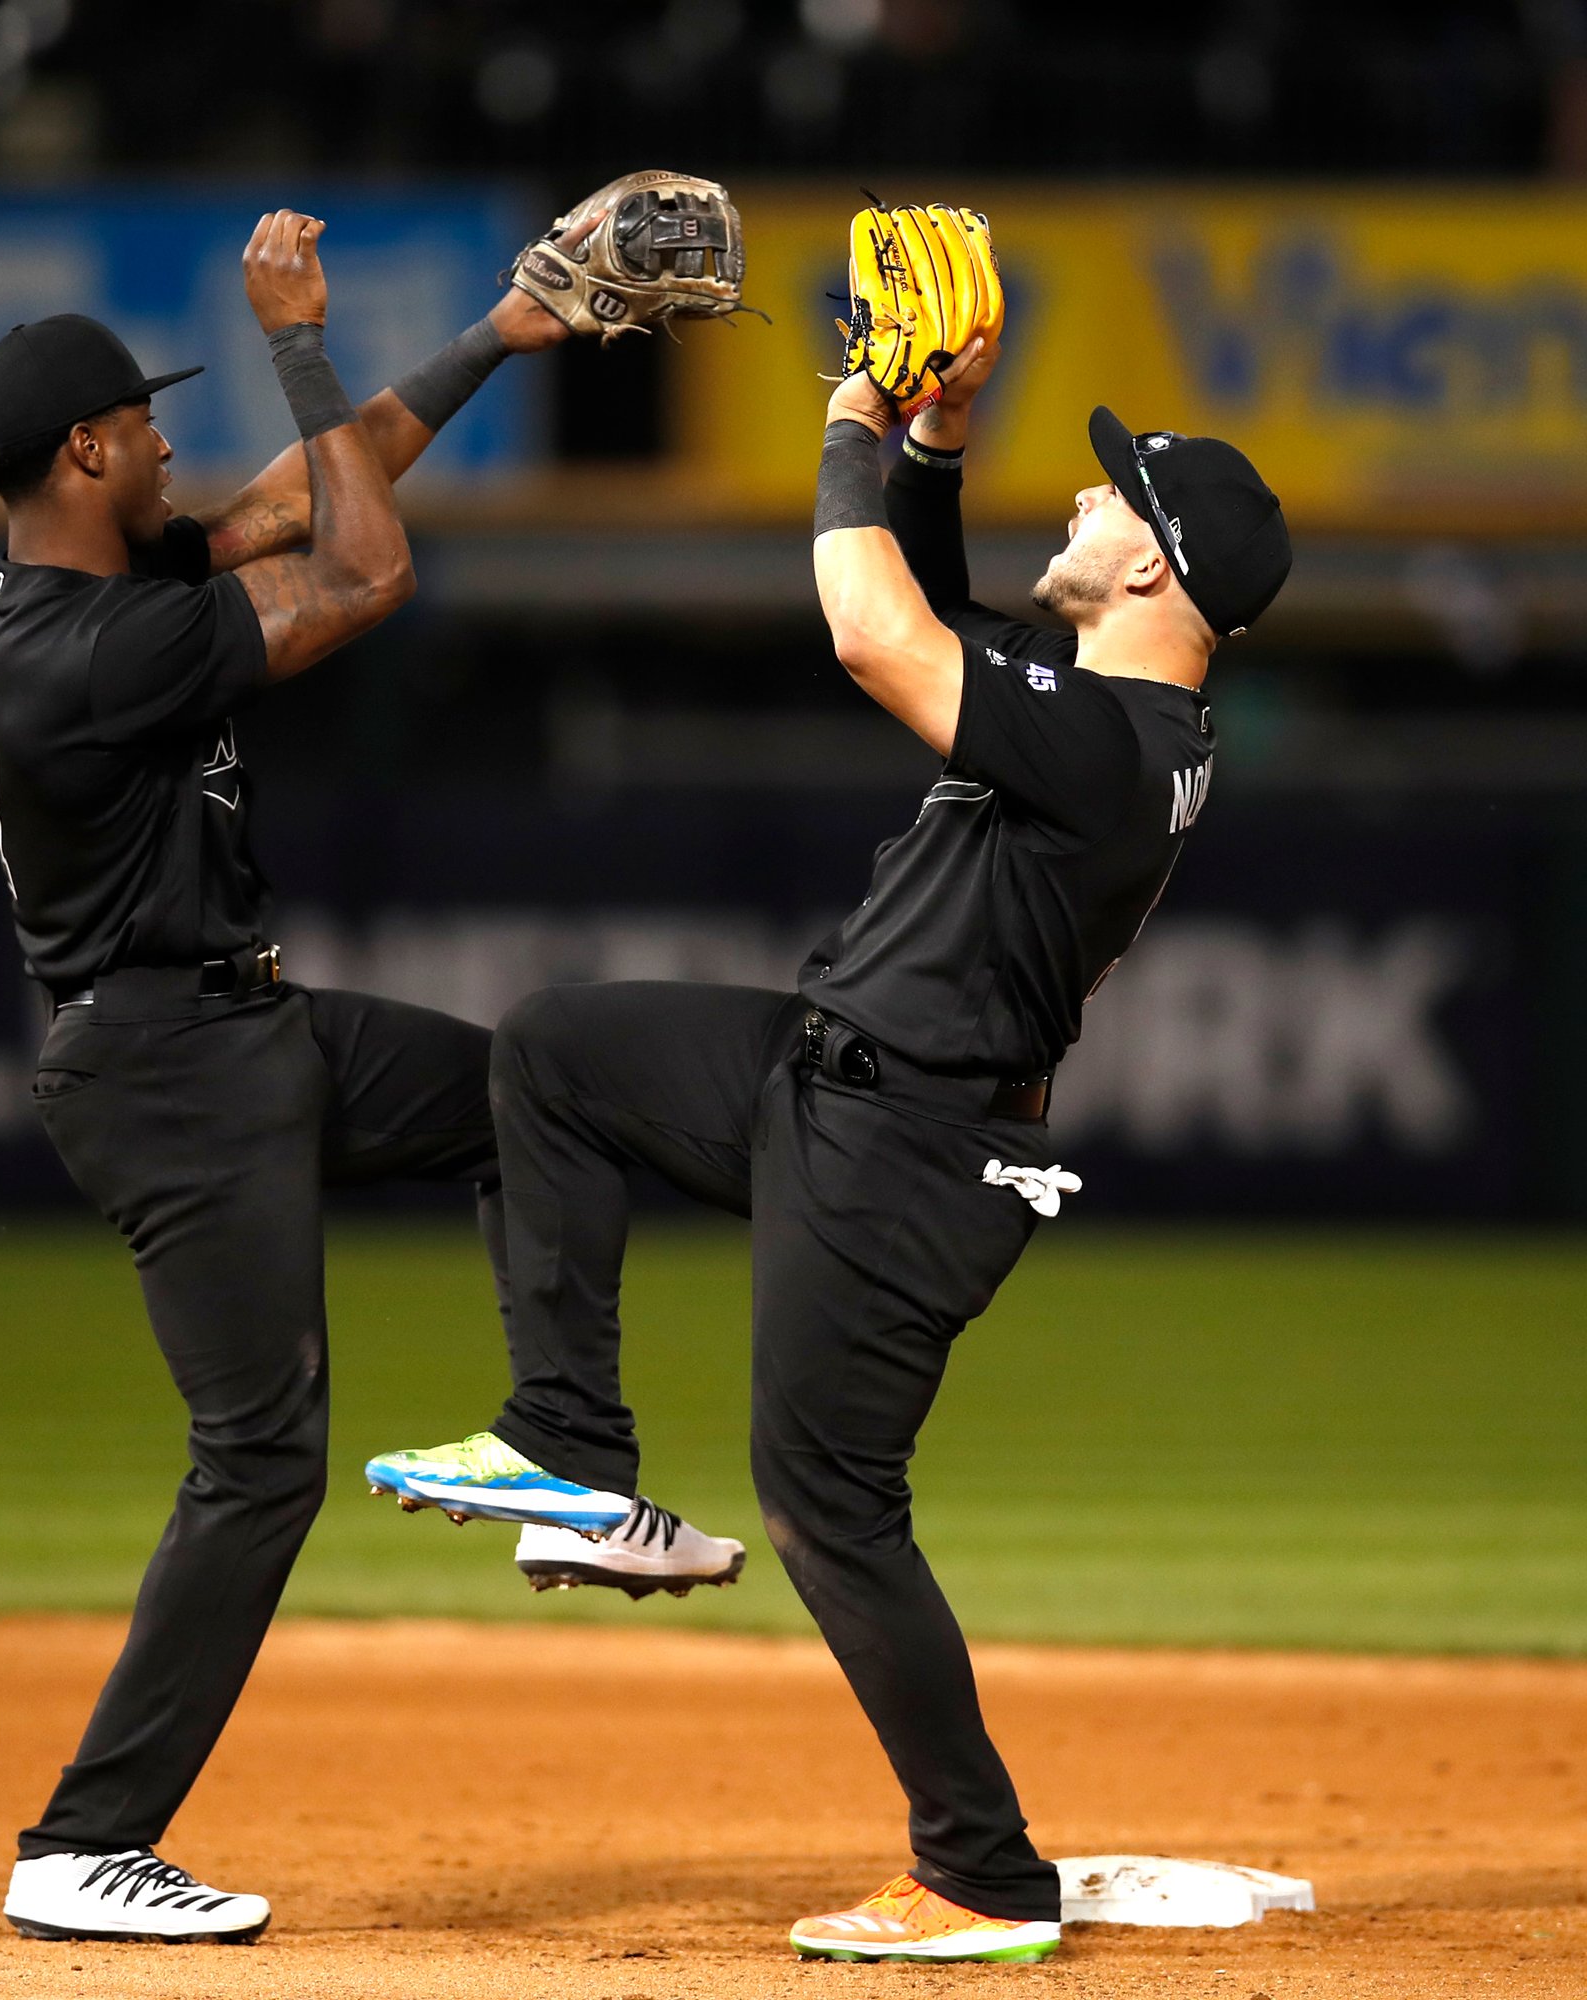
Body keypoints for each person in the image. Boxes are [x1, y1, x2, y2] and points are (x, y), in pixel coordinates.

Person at [367, 329, 1291, 1963]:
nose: (1075, 489)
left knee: (832, 1504)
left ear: (1150, 560)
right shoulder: (1105, 706)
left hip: (910, 1147)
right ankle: (567, 1445)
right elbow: (939, 609)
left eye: (1109, 487)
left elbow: (878, 633)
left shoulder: (1110, 743)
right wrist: (935, 441)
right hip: (825, 1083)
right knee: (561, 1051)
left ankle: (978, 1874)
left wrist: (855, 416)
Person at [0, 208, 738, 1948]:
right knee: (258, 1461)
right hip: (168, 1063)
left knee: (542, 1096)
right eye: (147, 421)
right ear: (89, 451)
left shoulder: (101, 587)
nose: (171, 437)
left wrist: (498, 332)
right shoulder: (83, 655)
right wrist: (294, 340)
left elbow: (325, 486)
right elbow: (369, 571)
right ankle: (84, 1843)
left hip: (241, 1029)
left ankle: (559, 1458)